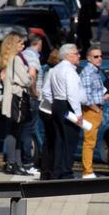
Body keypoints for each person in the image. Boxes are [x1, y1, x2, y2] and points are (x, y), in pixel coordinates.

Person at [42, 43, 86, 179]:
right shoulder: (69, 71)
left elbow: (45, 91)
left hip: (57, 105)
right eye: (76, 53)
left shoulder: (54, 69)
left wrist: (55, 102)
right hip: (68, 105)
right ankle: (66, 171)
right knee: (70, 140)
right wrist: (78, 113)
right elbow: (72, 94)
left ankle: (57, 170)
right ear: (67, 56)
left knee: (59, 139)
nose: (79, 56)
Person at [0, 32, 32, 175]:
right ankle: (13, 163)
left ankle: (16, 163)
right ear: (13, 44)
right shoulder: (17, 60)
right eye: (21, 43)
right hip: (16, 99)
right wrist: (30, 76)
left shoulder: (10, 59)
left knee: (15, 131)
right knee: (15, 131)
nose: (23, 46)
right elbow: (26, 80)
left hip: (13, 99)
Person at [79, 47, 109, 178]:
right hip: (91, 111)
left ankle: (89, 169)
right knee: (89, 141)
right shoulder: (88, 73)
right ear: (89, 58)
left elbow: (94, 92)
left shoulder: (96, 72)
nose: (99, 59)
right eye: (96, 56)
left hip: (97, 109)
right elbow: (85, 97)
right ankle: (87, 171)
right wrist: (96, 108)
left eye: (100, 56)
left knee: (92, 141)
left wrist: (104, 98)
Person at [20, 33, 43, 176]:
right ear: (39, 43)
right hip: (32, 98)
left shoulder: (22, 54)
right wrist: (34, 91)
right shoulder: (34, 57)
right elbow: (33, 74)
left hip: (22, 97)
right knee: (29, 130)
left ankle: (15, 160)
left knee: (19, 129)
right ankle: (28, 162)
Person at [38, 49, 62, 180]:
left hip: (48, 110)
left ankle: (47, 171)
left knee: (50, 141)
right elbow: (46, 92)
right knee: (51, 141)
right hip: (49, 111)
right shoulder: (53, 72)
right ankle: (48, 171)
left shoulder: (51, 70)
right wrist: (55, 105)